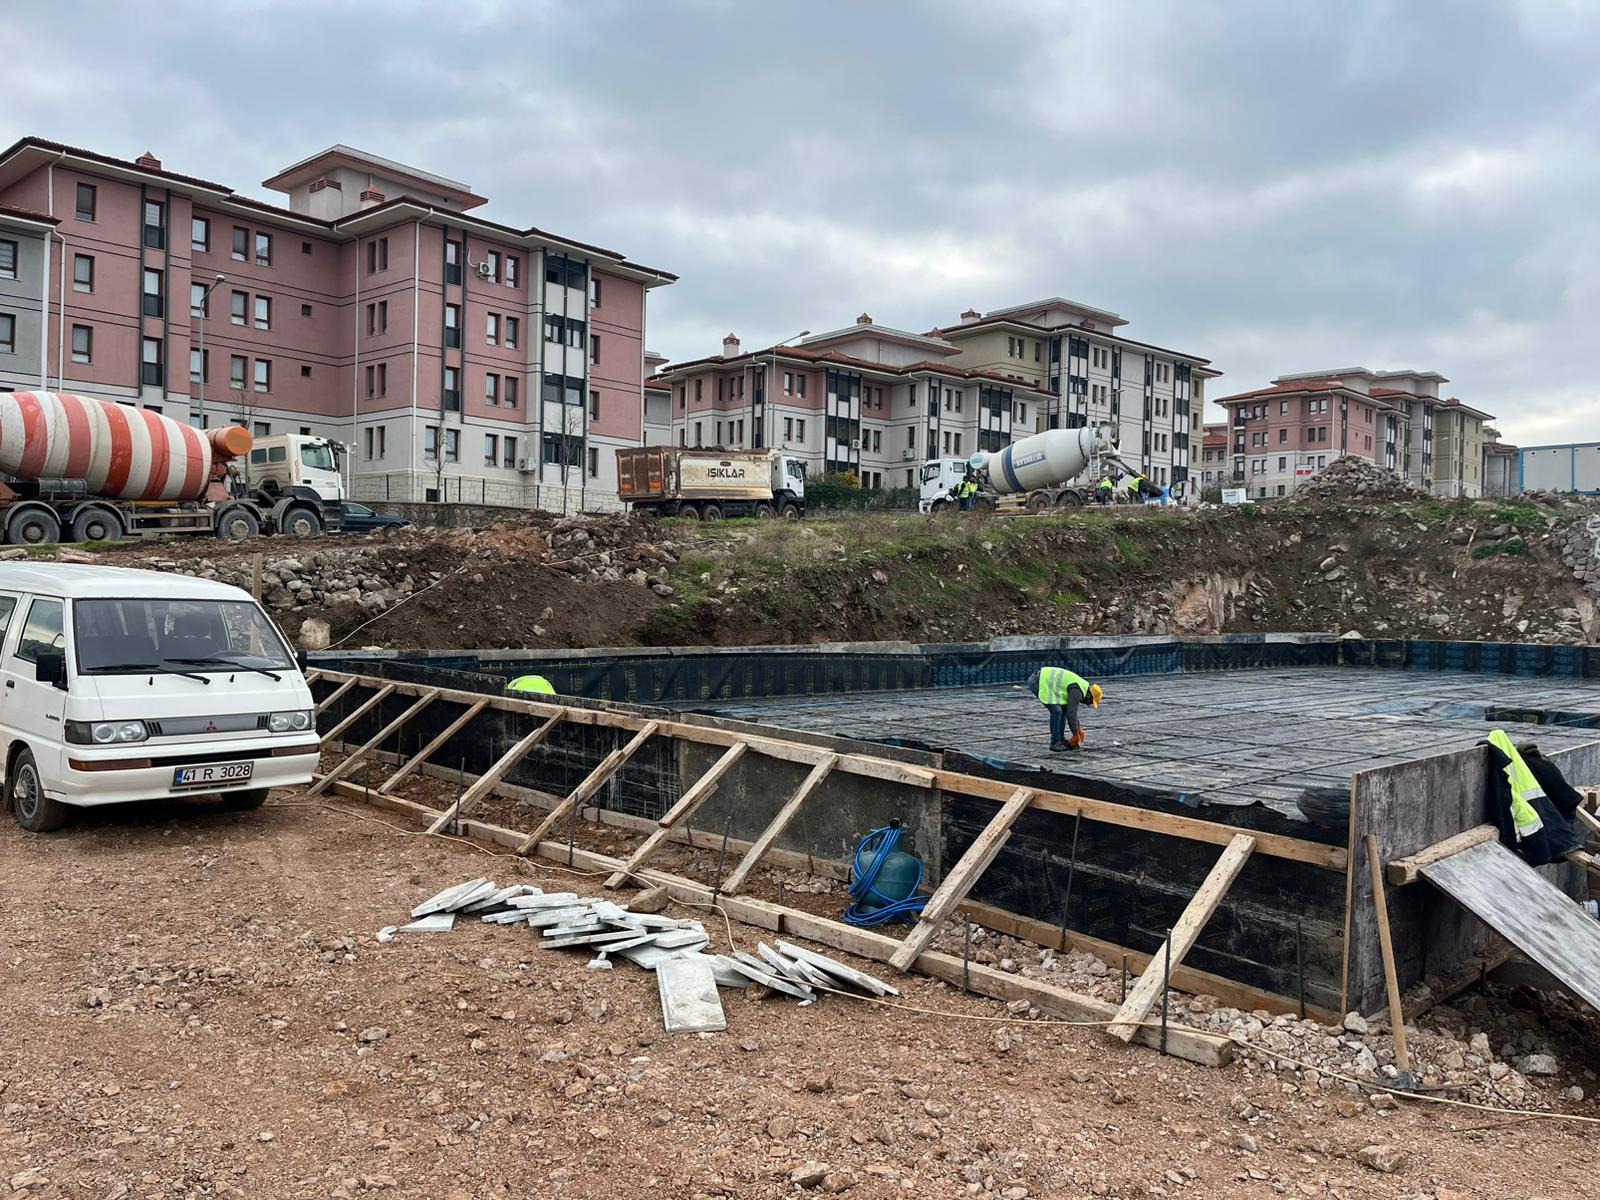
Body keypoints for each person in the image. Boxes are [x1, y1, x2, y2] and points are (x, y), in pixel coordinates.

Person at [1026, 666, 1103, 752]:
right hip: (1038, 682)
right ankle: (1055, 742)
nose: (1088, 704)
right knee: (1057, 711)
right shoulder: (1078, 691)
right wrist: (1075, 734)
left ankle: (1060, 739)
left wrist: (1078, 728)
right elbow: (1072, 713)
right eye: (1090, 702)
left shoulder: (1081, 687)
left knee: (1063, 710)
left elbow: (1069, 710)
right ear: (1089, 696)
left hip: (1041, 680)